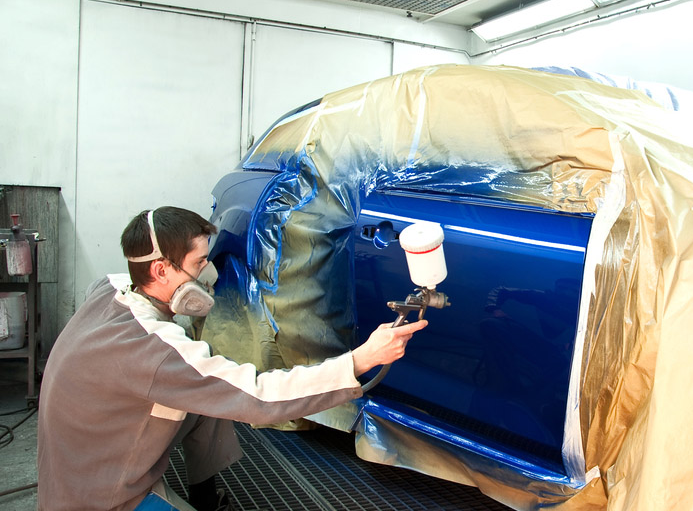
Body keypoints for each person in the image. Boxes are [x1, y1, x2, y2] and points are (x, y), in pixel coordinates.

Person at [37, 206, 427, 511]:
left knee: (210, 391)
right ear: (160, 270)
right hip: (104, 498)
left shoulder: (109, 290)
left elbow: (204, 377)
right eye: (198, 263)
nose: (208, 273)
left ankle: (204, 495)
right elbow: (258, 396)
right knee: (222, 389)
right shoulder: (152, 348)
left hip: (77, 465)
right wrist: (360, 360)